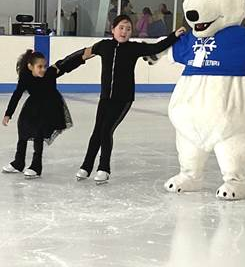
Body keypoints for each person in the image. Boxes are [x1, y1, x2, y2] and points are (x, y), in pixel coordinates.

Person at [75, 15, 186, 184]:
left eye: (128, 29)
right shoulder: (104, 46)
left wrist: (174, 35)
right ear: (113, 29)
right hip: (105, 98)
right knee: (97, 132)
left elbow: (156, 48)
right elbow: (81, 54)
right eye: (121, 27)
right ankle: (86, 166)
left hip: (123, 99)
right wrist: (59, 68)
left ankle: (104, 168)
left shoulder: (134, 48)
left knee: (106, 130)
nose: (124, 31)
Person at [2, 49, 88, 178]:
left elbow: (66, 63)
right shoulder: (25, 77)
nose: (43, 69)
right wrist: (8, 113)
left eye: (45, 66)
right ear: (30, 67)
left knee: (38, 134)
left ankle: (36, 166)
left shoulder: (51, 73)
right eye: (39, 67)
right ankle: (18, 162)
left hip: (50, 107)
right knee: (22, 130)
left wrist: (83, 57)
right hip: (33, 106)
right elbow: (17, 94)